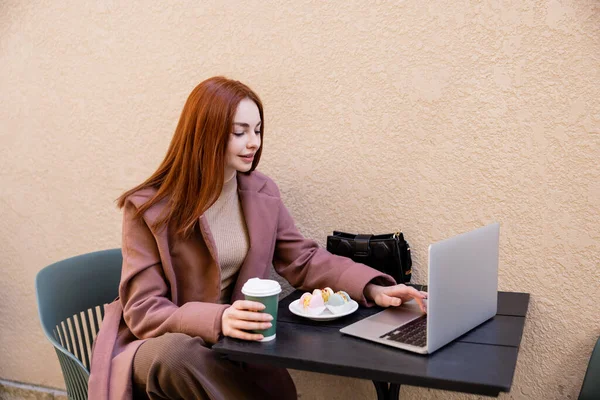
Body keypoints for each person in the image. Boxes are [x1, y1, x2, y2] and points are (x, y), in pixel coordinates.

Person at [88, 76, 427, 400]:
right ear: (205, 134)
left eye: (258, 130)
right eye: (240, 132)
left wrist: (374, 288)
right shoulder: (148, 208)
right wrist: (218, 318)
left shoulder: (261, 193)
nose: (254, 142)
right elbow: (144, 310)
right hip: (159, 344)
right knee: (177, 354)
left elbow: (303, 259)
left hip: (236, 344)